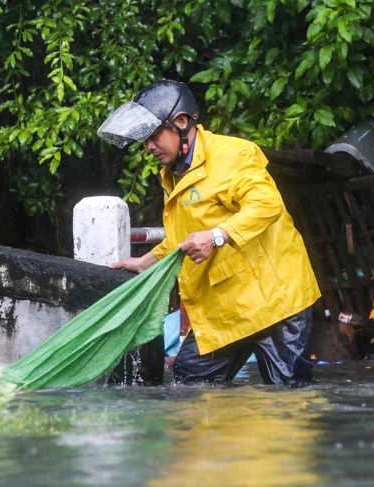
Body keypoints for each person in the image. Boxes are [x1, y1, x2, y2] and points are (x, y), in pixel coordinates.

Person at [97, 79, 321, 386]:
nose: (148, 147)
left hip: (275, 303)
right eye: (144, 140)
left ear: (181, 122)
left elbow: (267, 204)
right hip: (226, 310)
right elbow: (184, 236)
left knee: (289, 402)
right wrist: (145, 261)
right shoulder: (173, 174)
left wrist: (217, 236)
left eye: (154, 136)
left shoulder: (233, 155)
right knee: (188, 386)